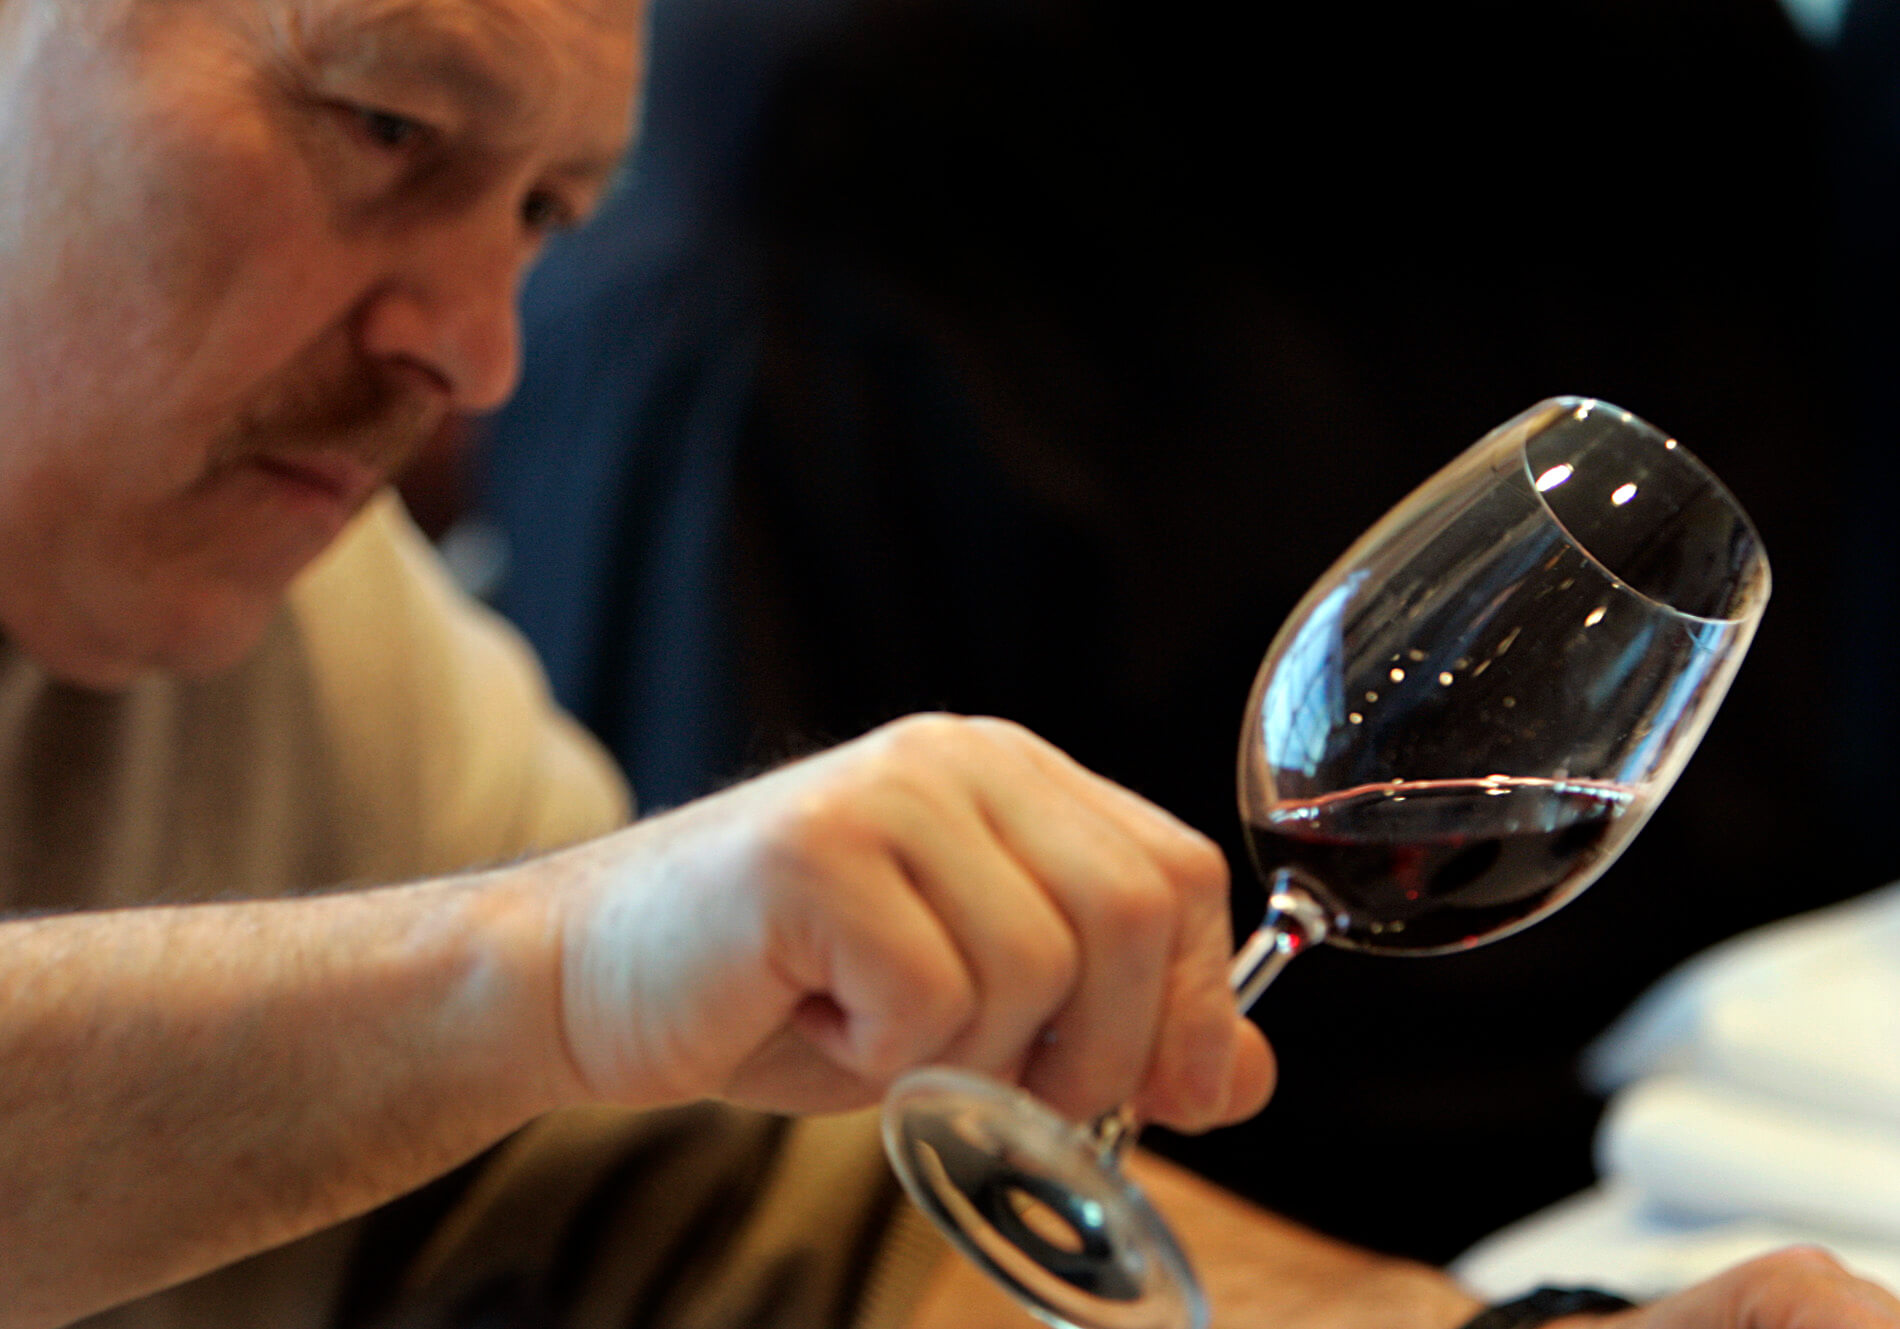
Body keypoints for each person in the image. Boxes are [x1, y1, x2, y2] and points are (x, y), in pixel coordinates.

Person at [0, 3, 1893, 1329]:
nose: (481, 356)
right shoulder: (849, 167)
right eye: (391, 126)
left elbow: (732, 1217)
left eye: (545, 214)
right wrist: (541, 967)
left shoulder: (319, 621)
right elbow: (553, 1030)